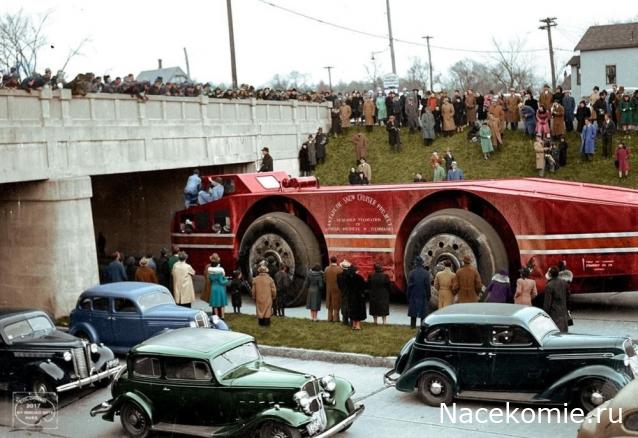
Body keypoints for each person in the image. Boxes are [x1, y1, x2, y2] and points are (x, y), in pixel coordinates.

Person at [543, 266, 570, 332]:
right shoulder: (564, 283)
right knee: (564, 334)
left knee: (556, 334)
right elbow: (568, 296)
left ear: (550, 274)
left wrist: (545, 315)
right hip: (564, 314)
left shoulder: (549, 286)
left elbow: (547, 304)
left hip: (555, 315)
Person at [407, 256, 431, 328]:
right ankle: (422, 327)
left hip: (414, 294)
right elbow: (427, 286)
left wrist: (408, 295)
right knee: (423, 312)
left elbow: (409, 286)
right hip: (423, 294)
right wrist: (428, 295)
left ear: (415, 264)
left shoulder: (412, 273)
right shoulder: (426, 273)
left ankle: (412, 326)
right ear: (422, 264)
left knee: (413, 312)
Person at [343, 264, 367, 330]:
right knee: (358, 311)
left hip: (350, 296)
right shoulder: (359, 277)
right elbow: (363, 287)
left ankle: (353, 325)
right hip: (358, 297)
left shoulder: (347, 278)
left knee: (352, 310)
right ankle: (358, 326)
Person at [208, 254, 228, 319]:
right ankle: (222, 316)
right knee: (222, 303)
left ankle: (216, 316)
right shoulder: (220, 270)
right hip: (220, 288)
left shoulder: (210, 271)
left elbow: (209, 279)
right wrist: (226, 280)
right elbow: (222, 281)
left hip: (213, 287)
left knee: (215, 303)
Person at [324, 256, 343, 322]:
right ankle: (336, 318)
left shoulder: (326, 269)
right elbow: (341, 280)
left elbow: (324, 279)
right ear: (336, 261)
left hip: (329, 288)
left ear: (330, 261)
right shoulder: (340, 269)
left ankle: (329, 318)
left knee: (330, 304)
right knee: (337, 304)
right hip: (337, 289)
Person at [336, 260, 352, 326]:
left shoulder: (339, 276)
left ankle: (345, 321)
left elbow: (339, 285)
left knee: (344, 306)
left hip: (343, 292)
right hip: (350, 292)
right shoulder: (351, 275)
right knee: (350, 306)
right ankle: (351, 320)